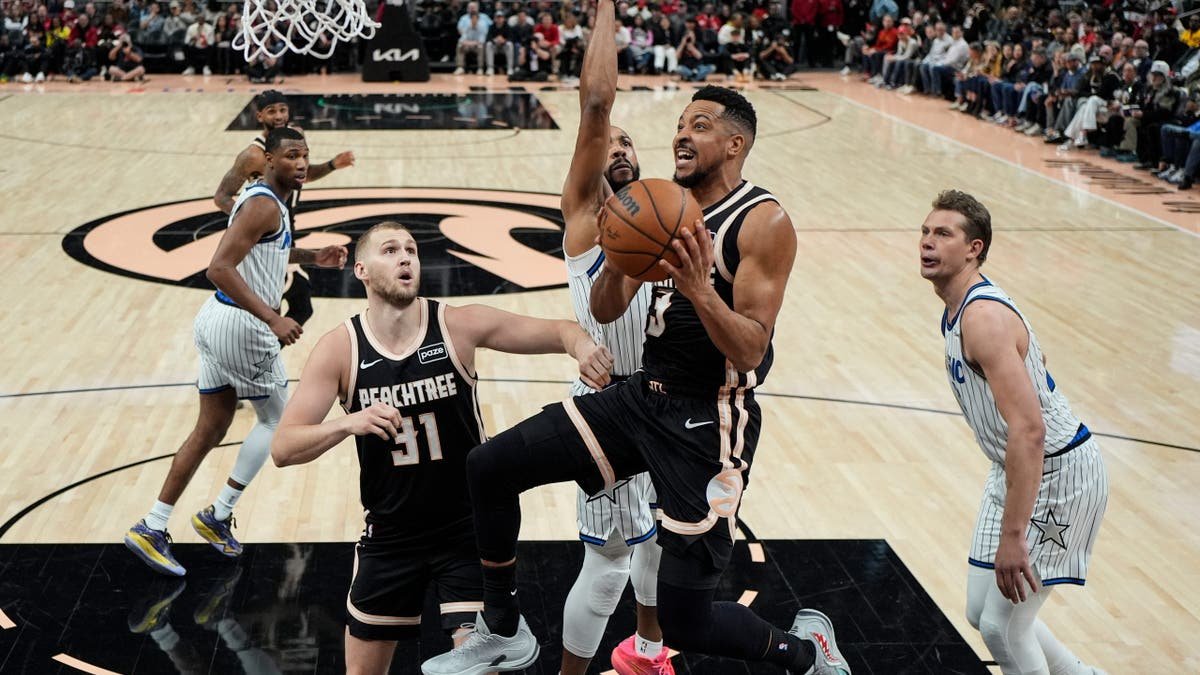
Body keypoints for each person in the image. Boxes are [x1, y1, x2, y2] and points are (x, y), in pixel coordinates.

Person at [421, 85, 850, 675]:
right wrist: (621, 254)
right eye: (679, 124)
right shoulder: (664, 203)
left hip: (709, 422)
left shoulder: (762, 220)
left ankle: (806, 653)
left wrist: (699, 289)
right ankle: (502, 627)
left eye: (699, 125)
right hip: (642, 397)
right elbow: (603, 310)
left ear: (734, 144)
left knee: (685, 623)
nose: (681, 135)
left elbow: (751, 349)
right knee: (489, 466)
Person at [270, 221, 613, 675]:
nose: (405, 257)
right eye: (390, 250)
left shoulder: (456, 325)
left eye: (411, 249)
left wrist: (583, 346)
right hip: (390, 535)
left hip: (465, 532)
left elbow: (559, 331)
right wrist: (348, 422)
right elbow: (284, 447)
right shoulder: (340, 348)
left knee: (479, 668)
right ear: (361, 270)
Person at [123, 127, 349, 577]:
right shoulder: (264, 203)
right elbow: (219, 268)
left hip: (216, 321)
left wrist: (312, 256)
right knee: (278, 421)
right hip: (244, 326)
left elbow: (264, 250)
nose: (301, 163)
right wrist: (272, 318)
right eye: (291, 155)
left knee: (210, 427)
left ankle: (154, 524)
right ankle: (218, 513)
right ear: (269, 159)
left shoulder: (267, 201)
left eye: (305, 155)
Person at [918, 190, 1108, 675]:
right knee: (980, 610)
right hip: (1016, 468)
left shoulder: (982, 318)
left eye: (943, 234)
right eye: (925, 231)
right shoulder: (962, 308)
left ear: (974, 248)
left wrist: (1014, 535)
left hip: (1058, 474)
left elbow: (1030, 431)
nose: (927, 241)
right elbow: (1034, 360)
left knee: (1003, 626)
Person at [557, 2, 666, 673]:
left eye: (631, 144)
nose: (619, 149)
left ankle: (649, 650)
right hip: (605, 404)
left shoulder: (662, 219)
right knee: (607, 562)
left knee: (656, 539)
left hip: (659, 398)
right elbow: (597, 103)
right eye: (611, 144)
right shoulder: (584, 216)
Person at [214, 90, 355, 333]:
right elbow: (221, 196)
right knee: (278, 309)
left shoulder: (296, 136)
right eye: (272, 111)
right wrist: (248, 220)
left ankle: (267, 348)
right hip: (266, 234)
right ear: (259, 116)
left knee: (299, 306)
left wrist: (332, 165)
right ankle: (260, 347)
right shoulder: (252, 155)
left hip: (288, 230)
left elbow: (303, 174)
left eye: (283, 109)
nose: (279, 116)